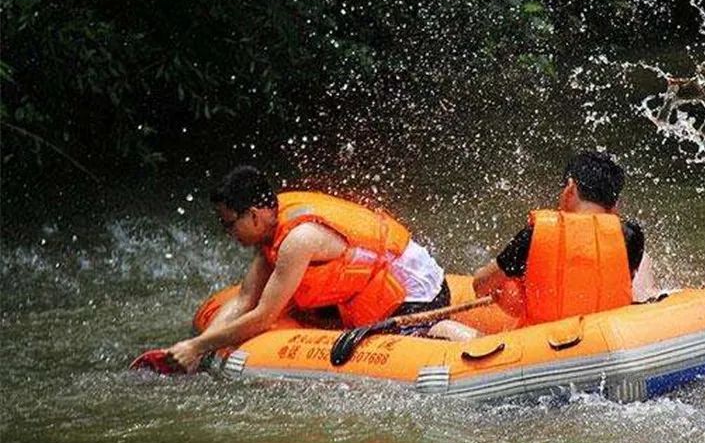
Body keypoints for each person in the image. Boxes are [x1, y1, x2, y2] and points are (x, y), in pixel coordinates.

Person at [166, 165, 448, 371]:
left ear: (253, 216)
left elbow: (263, 317)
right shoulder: (272, 225)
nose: (227, 233)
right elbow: (244, 299)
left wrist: (196, 347)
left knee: (422, 335)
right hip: (393, 284)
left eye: (228, 224)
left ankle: (462, 341)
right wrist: (199, 346)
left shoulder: (298, 241)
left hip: (418, 293)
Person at [431, 152, 658, 340]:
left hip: (540, 348)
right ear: (615, 204)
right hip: (605, 339)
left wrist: (508, 292)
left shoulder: (536, 234)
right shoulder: (630, 236)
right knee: (644, 260)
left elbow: (480, 285)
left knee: (441, 327)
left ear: (570, 188)